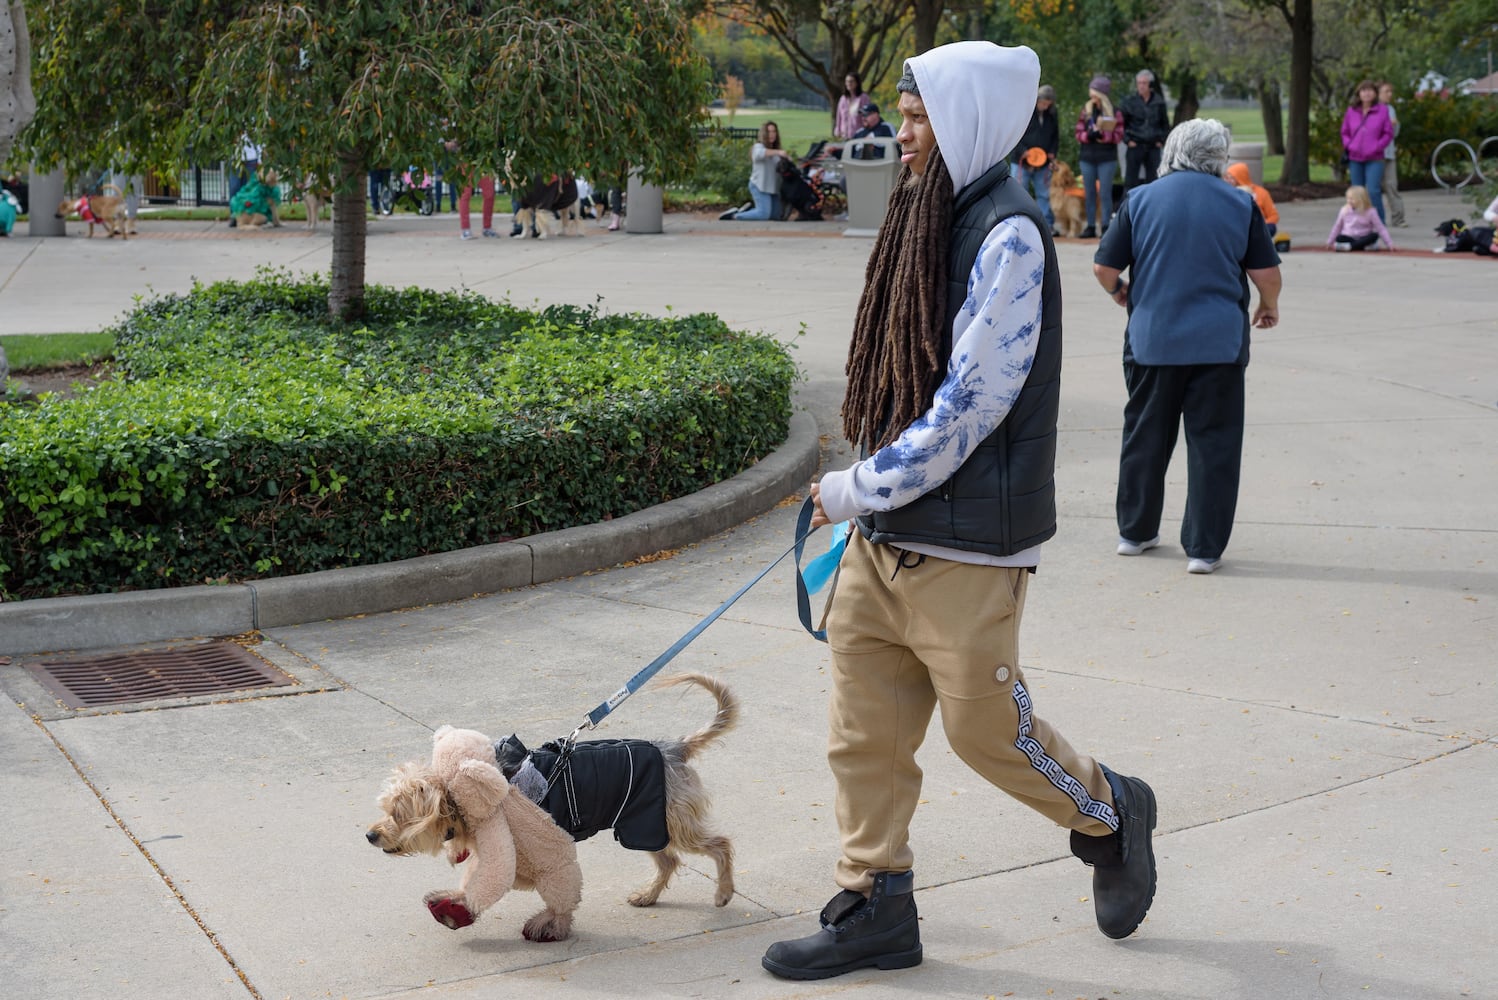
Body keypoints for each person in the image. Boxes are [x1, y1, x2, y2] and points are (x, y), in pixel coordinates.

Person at [761, 40, 1159, 982]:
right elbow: (899, 374)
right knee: (862, 737)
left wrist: (850, 488)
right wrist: (864, 499)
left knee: (988, 735)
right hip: (884, 539)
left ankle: (1110, 813)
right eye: (901, 115)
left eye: (917, 118)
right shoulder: (924, 209)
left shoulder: (1009, 234)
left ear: (967, 120)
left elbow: (967, 411)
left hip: (971, 547)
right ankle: (874, 905)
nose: (899, 134)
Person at [1093, 118, 1281, 576]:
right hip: (1218, 343)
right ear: (1220, 156)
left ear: (1171, 149)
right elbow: (1267, 274)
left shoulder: (1140, 199)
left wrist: (1119, 290)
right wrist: (1268, 304)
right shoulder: (1241, 202)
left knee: (1145, 435)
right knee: (1214, 443)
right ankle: (1204, 548)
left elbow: (1104, 267)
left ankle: (1135, 532)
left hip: (1152, 339)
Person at [1076, 75, 1124, 238]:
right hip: (1087, 157)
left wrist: (1103, 135)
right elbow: (1078, 133)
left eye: (1095, 94)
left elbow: (1119, 135)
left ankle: (1105, 225)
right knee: (1089, 193)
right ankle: (1090, 226)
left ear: (1102, 94)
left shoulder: (1115, 112)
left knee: (1104, 193)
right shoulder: (1086, 111)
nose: (1092, 97)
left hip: (1107, 158)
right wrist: (1088, 135)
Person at [1341, 80, 1393, 223]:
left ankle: (1379, 224)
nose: (1366, 93)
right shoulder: (1351, 110)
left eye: (1370, 90)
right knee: (1356, 192)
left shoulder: (1382, 110)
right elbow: (1344, 131)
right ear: (1359, 93)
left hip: (1375, 158)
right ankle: (1357, 223)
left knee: (1373, 191)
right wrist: (1349, 145)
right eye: (1363, 90)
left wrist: (1377, 146)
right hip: (1355, 158)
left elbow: (1388, 133)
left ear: (1375, 93)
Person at [1012, 84, 1059, 233]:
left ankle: (1047, 225)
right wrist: (1022, 151)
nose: (1045, 106)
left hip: (1043, 162)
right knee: (1019, 193)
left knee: (1044, 194)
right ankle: (1018, 224)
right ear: (1036, 99)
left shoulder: (1052, 114)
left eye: (1048, 104)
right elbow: (1013, 133)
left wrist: (1052, 152)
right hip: (1021, 161)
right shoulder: (1024, 111)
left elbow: (1055, 136)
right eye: (1043, 103)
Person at [1120, 70, 1170, 190]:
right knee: (1130, 180)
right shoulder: (1129, 102)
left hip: (1153, 145)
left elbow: (1165, 123)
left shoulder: (1159, 102)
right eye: (1139, 83)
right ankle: (1129, 202)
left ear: (1150, 84)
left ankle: (1153, 202)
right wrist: (1127, 140)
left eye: (1144, 83)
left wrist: (1161, 140)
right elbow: (1121, 124)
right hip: (1135, 144)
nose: (1141, 86)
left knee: (1154, 180)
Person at [733, 121, 790, 221]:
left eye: (774, 132)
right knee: (763, 214)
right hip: (759, 186)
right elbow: (759, 154)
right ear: (764, 134)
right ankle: (735, 215)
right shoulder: (758, 147)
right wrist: (778, 152)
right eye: (769, 132)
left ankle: (749, 211)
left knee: (776, 216)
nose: (772, 134)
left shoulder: (776, 150)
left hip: (773, 189)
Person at [1325, 184, 1394, 252]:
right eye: (1348, 198)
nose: (1349, 201)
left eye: (1352, 199)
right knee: (1339, 238)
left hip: (1364, 237)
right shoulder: (1344, 210)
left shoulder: (1371, 211)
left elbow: (1380, 228)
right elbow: (1337, 226)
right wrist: (1330, 241)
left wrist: (1389, 244)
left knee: (1374, 236)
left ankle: (1349, 247)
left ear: (1361, 199)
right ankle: (1363, 247)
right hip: (1349, 237)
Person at [1378, 81, 1406, 227]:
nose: (1389, 94)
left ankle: (1398, 218)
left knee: (1391, 185)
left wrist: (1395, 125)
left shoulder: (1390, 109)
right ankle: (1372, 218)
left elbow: (1394, 133)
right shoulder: (1372, 109)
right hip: (1375, 154)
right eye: (1386, 91)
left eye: (1391, 92)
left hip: (1389, 153)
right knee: (1373, 188)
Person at [1225, 161, 1279, 237]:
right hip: (1238, 228)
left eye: (1232, 178)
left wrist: (1260, 225)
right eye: (1227, 177)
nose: (1228, 181)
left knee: (1271, 227)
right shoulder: (1226, 193)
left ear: (1240, 177)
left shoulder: (1261, 193)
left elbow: (1274, 216)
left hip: (1258, 227)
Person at [226, 135, 261, 228]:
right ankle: (234, 215)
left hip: (251, 158)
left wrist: (260, 158)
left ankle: (247, 216)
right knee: (234, 187)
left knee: (249, 189)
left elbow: (259, 138)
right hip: (235, 158)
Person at [835, 72, 872, 141]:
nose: (849, 83)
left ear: (857, 83)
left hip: (859, 136)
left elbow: (867, 116)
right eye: (847, 81)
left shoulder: (863, 97)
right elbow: (839, 116)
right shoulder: (843, 98)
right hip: (844, 136)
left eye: (851, 81)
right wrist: (838, 131)